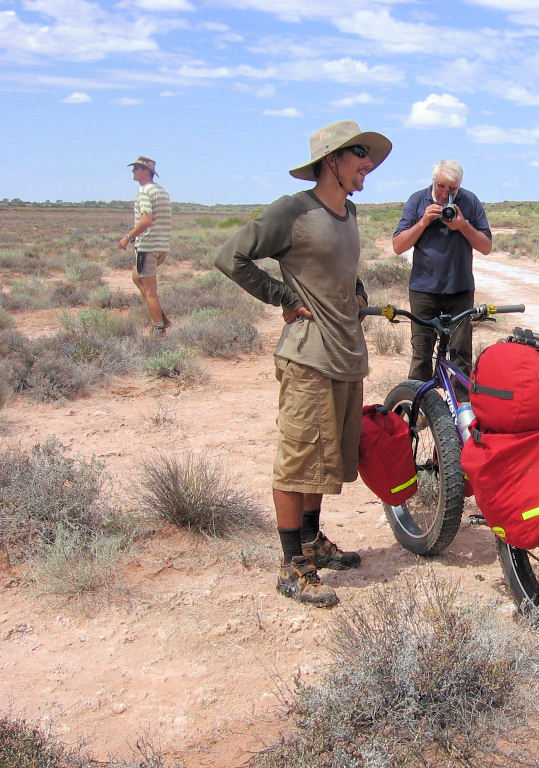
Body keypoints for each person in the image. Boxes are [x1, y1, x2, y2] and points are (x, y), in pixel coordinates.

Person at [214, 120, 392, 607]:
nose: (368, 164)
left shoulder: (349, 212)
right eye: (360, 154)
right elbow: (231, 256)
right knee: (298, 462)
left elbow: (341, 270)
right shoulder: (293, 211)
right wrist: (281, 295)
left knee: (323, 459)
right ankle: (292, 566)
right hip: (309, 357)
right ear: (331, 160)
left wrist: (356, 291)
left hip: (345, 355)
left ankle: (313, 544)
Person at [392, 159, 492, 394]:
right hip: (424, 290)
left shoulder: (469, 201)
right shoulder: (418, 200)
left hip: (459, 290)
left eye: (452, 189)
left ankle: (461, 410)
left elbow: (486, 246)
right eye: (441, 186)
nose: (446, 193)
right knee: (421, 353)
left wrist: (463, 225)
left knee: (461, 355)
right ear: (433, 181)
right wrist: (424, 221)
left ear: (459, 187)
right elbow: (398, 245)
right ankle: (420, 409)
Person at [119, 156, 171, 336]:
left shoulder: (144, 191)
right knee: (136, 276)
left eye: (135, 168)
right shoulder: (161, 191)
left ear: (145, 171)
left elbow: (146, 220)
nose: (133, 172)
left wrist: (128, 236)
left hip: (148, 246)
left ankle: (159, 328)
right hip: (162, 245)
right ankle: (161, 317)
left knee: (150, 290)